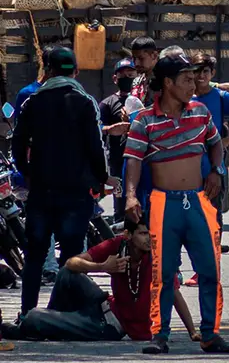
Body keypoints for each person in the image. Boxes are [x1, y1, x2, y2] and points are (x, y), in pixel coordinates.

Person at [123, 53, 229, 354]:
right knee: (163, 274)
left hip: (199, 202)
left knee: (210, 270)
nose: (194, 84)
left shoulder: (200, 112)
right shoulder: (144, 120)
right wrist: (131, 195)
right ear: (167, 82)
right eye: (187, 79)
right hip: (163, 204)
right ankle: (160, 335)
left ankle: (210, 334)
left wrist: (218, 170)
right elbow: (133, 162)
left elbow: (215, 143)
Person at [12, 47, 113, 318]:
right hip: (76, 193)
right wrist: (101, 179)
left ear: (48, 71)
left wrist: (29, 173)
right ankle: (66, 312)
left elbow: (17, 146)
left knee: (34, 255)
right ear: (75, 72)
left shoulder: (32, 102)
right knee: (72, 255)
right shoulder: (84, 101)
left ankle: (27, 313)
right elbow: (96, 147)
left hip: (41, 192)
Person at [0, 219, 199, 342]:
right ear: (128, 235)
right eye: (143, 233)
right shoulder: (118, 245)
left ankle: (37, 324)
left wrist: (193, 332)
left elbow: (175, 295)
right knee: (66, 274)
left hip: (111, 326)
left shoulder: (158, 258)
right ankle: (48, 322)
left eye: (152, 234)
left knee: (35, 315)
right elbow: (72, 262)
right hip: (104, 305)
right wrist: (102, 267)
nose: (149, 239)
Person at [181, 53, 229, 284]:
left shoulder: (221, 96)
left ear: (212, 74)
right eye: (197, 71)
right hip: (185, 166)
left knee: (212, 217)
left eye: (205, 71)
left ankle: (209, 269)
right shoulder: (183, 97)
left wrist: (224, 142)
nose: (201, 75)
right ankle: (199, 267)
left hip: (213, 166)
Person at [11, 45, 59, 285]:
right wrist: (24, 170)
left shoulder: (71, 93)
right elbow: (21, 136)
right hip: (38, 169)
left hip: (61, 169)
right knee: (41, 220)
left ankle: (68, 267)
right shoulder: (29, 93)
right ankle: (48, 267)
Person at [100, 59, 139, 223]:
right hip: (118, 159)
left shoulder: (142, 98)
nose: (127, 77)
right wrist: (111, 129)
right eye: (122, 75)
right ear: (115, 78)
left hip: (141, 157)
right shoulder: (107, 103)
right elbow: (97, 128)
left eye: (130, 74)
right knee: (121, 203)